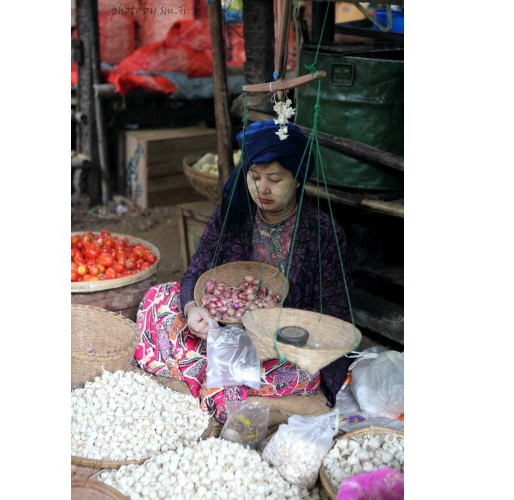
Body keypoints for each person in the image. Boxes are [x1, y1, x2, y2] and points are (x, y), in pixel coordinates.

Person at [133, 120, 354, 423]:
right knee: (158, 298)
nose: (262, 188)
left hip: (281, 347)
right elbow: (197, 269)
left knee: (300, 373)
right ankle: (224, 393)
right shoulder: (233, 215)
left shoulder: (322, 232)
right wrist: (192, 306)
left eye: (275, 179)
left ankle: (203, 388)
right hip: (221, 330)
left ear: (298, 180)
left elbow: (334, 309)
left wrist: (282, 332)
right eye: (255, 176)